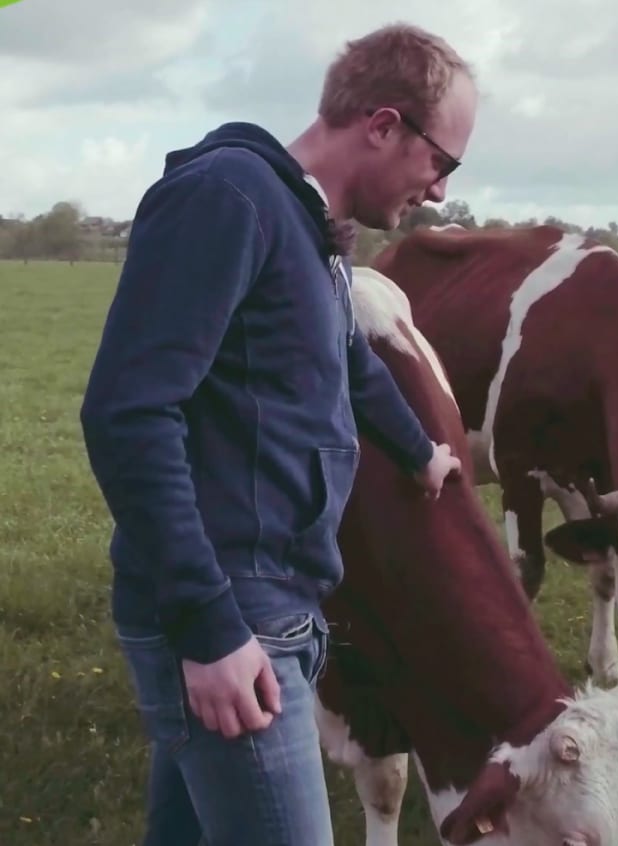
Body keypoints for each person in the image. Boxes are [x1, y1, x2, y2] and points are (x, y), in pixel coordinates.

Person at [80, 21, 478, 846]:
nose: (439, 190)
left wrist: (420, 452)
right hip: (233, 613)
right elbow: (128, 412)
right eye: (442, 160)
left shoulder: (312, 230)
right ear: (382, 124)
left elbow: (348, 361)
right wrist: (209, 627)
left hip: (277, 604)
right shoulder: (227, 198)